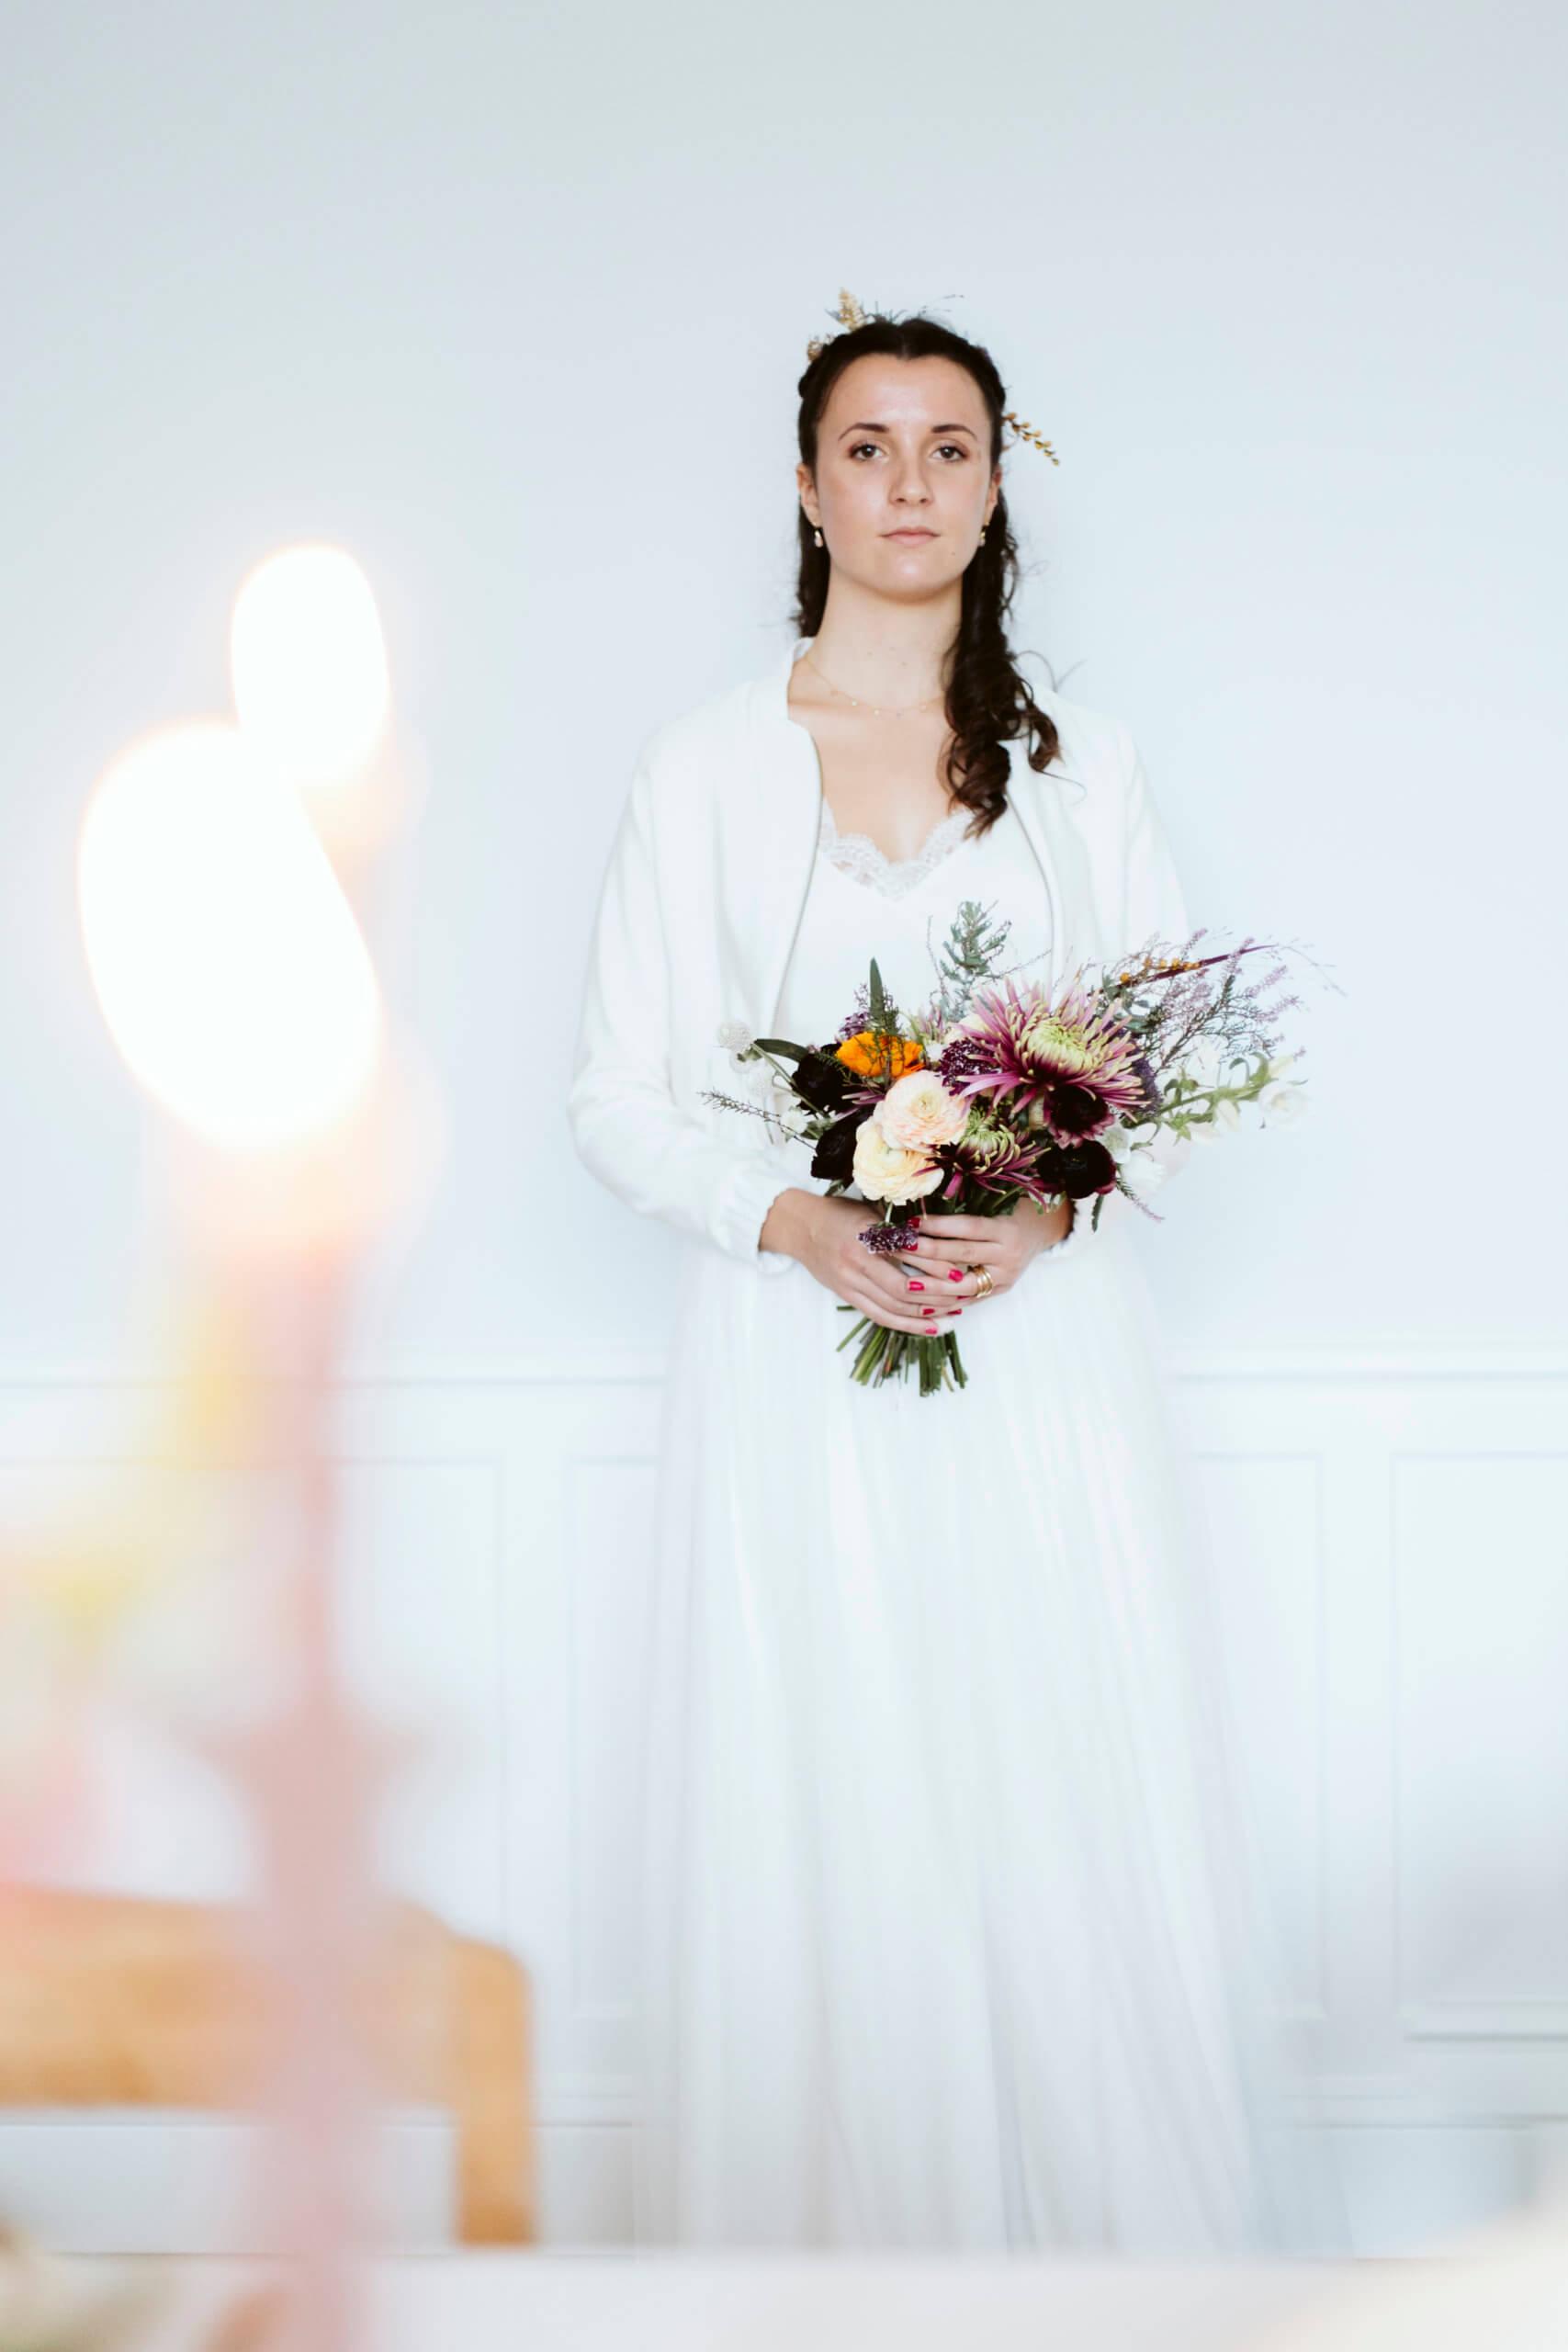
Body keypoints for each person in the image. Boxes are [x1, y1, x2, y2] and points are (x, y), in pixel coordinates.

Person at [568, 302, 1345, 2252]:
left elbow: (1167, 1064)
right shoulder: (700, 767)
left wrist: (1055, 1208)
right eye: (868, 446)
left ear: (998, 488)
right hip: (790, 1368)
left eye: (947, 448)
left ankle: (1101, 2270)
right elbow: (616, 1095)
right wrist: (798, 1220)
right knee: (823, 1784)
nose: (907, 484)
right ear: (806, 486)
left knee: (1055, 1792)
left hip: (1043, 1364)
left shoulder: (1081, 768)